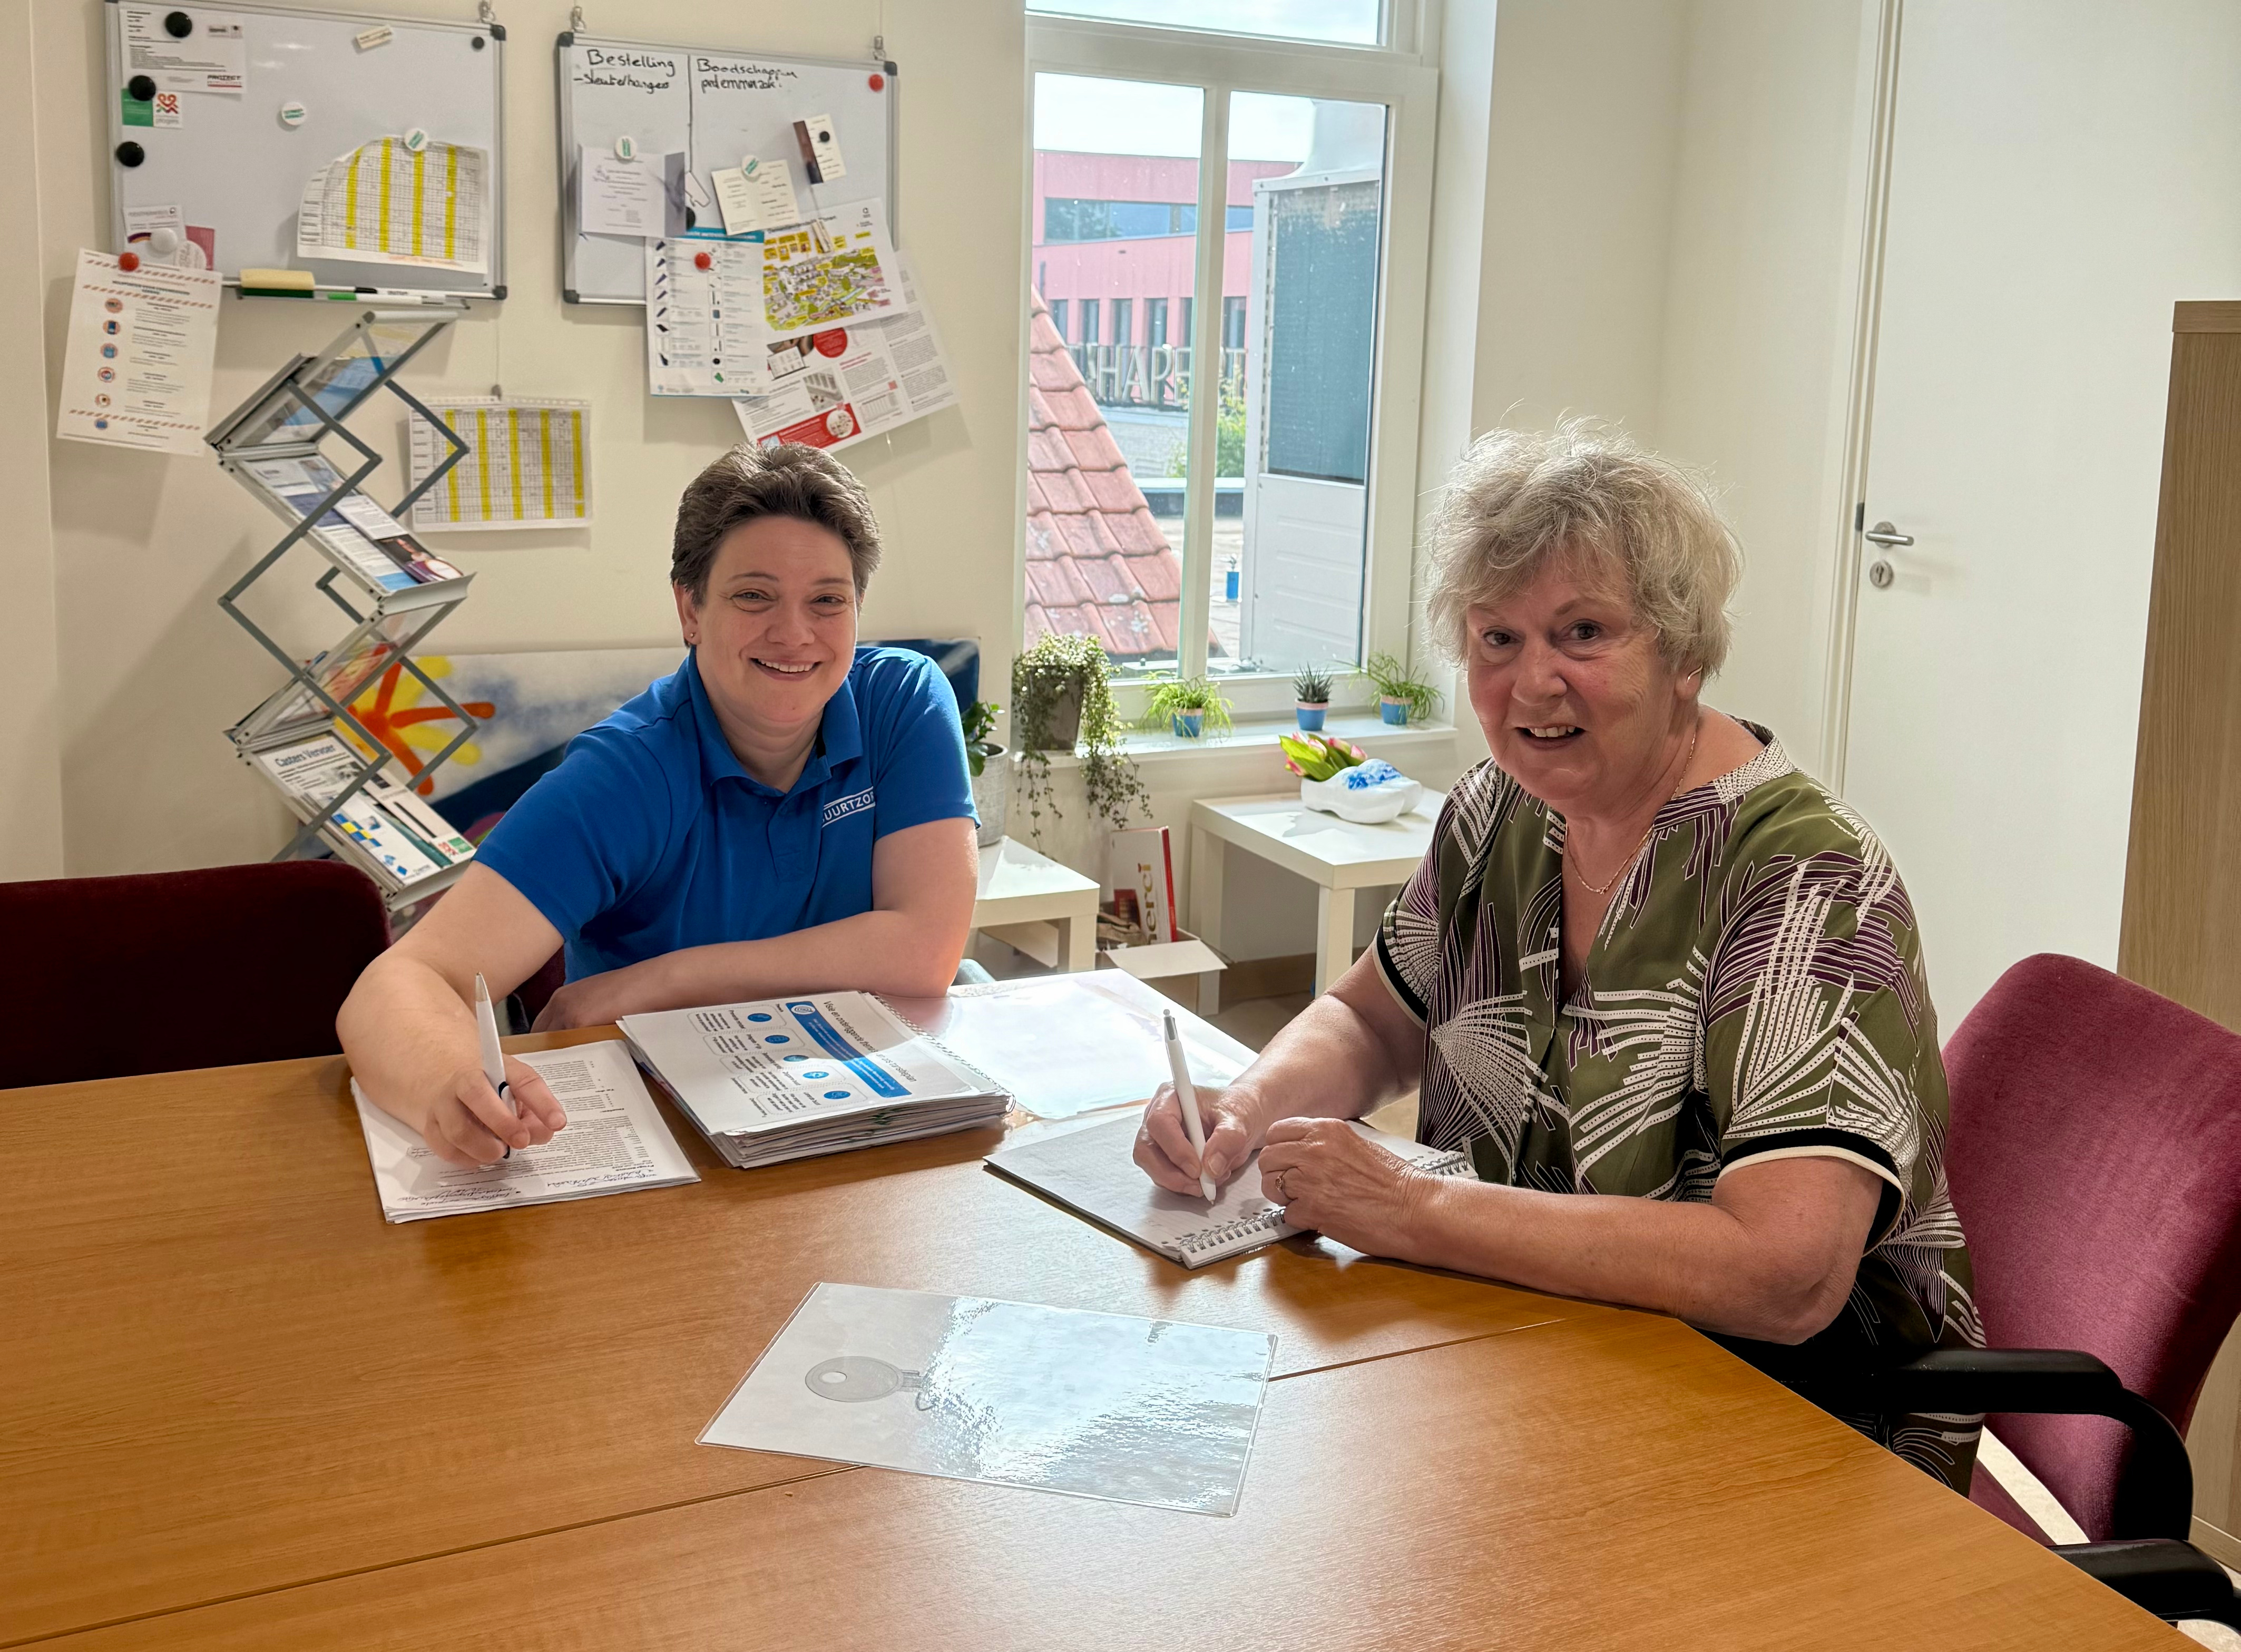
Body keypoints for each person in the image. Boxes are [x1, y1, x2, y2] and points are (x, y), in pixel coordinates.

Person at [1134, 421, 1981, 1489]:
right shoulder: (1501, 807)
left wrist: (1412, 1207)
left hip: (1784, 1436)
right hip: (1524, 1365)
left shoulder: (1807, 880)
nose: (1532, 684)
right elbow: (1373, 1018)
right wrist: (1247, 1107)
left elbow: (1783, 1274)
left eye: (1583, 633)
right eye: (1497, 639)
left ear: (1684, 654)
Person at [339, 443, 980, 1170]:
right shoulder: (625, 776)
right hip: (676, 1141)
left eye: (827, 601)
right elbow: (402, 982)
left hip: (865, 1122)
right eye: (753, 596)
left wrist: (662, 980)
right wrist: (449, 1082)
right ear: (690, 609)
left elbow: (926, 951)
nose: (795, 633)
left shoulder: (900, 700)